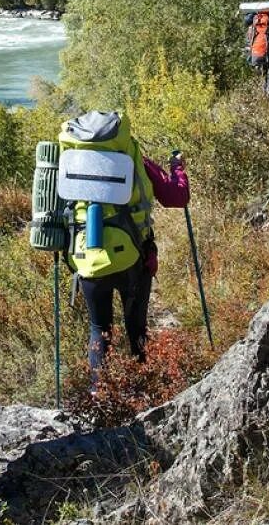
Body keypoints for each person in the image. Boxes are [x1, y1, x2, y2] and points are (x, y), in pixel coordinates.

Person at [77, 146, 188, 386]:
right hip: (134, 260)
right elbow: (177, 197)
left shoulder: (73, 165)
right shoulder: (136, 161)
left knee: (99, 329)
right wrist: (177, 167)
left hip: (89, 262)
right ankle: (145, 389)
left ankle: (99, 398)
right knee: (137, 327)